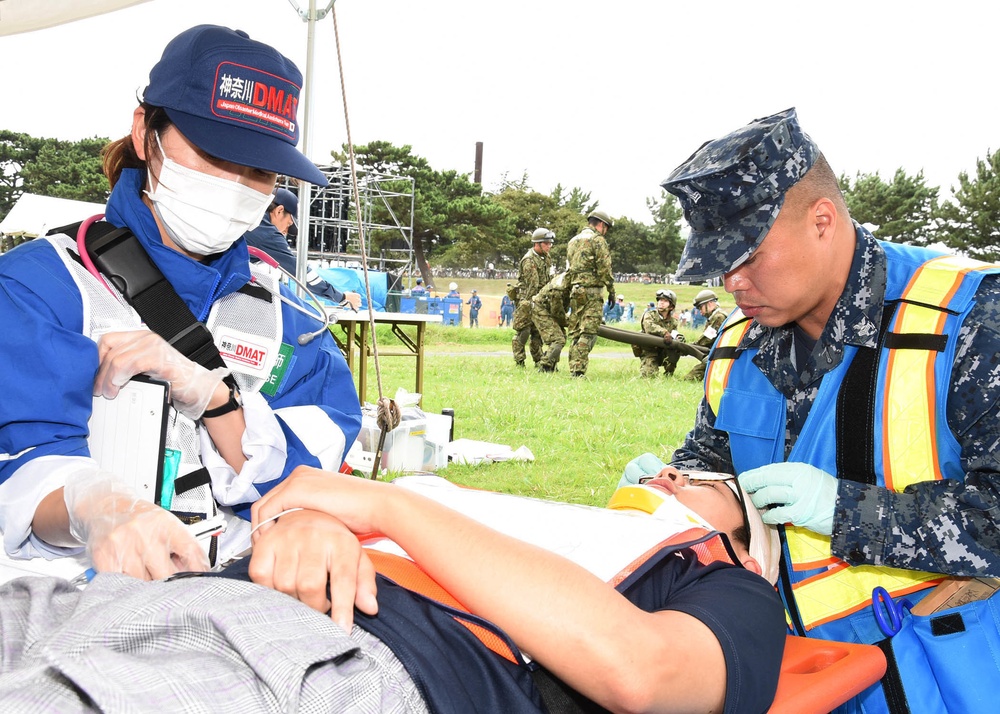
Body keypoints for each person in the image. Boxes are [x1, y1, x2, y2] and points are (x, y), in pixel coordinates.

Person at [637, 107, 1000, 713]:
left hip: (940, 673)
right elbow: (714, 463)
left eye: (747, 255)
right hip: (792, 675)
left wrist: (843, 510)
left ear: (822, 220)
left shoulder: (970, 316)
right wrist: (676, 488)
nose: (730, 281)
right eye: (717, 261)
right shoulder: (738, 343)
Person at [0, 25, 362, 580]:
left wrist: (217, 401)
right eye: (216, 153)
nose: (237, 184)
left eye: (260, 170)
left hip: (249, 609)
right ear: (146, 133)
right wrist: (97, 507)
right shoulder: (40, 286)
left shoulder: (291, 315)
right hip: (82, 616)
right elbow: (20, 465)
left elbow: (318, 476)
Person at [0, 470, 785, 714]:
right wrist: (312, 519)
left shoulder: (726, 584)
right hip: (184, 595)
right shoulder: (528, 517)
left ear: (751, 543)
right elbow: (317, 504)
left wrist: (382, 505)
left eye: (710, 479)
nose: (672, 473)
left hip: (330, 660)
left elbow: (641, 674)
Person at [244, 187, 361, 309]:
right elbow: (302, 274)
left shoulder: (248, 213)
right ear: (279, 211)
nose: (285, 232)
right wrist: (342, 297)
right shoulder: (268, 234)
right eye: (289, 224)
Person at [566, 210, 614, 377]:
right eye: (606, 227)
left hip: (576, 290)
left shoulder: (573, 241)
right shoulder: (598, 240)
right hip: (592, 292)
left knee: (576, 331)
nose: (605, 231)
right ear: (600, 224)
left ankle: (573, 366)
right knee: (589, 332)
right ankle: (578, 370)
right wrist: (611, 289)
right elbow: (604, 269)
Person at [511, 228, 553, 367]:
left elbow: (548, 279)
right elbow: (532, 285)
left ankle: (538, 360)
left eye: (550, 243)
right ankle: (519, 361)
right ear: (537, 244)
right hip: (528, 299)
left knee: (537, 332)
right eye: (546, 243)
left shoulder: (546, 258)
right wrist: (533, 304)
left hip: (539, 299)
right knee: (524, 331)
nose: (549, 246)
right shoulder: (529, 260)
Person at [680, 289, 727, 382]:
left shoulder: (719, 317)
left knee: (690, 378)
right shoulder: (714, 317)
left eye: (700, 308)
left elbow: (706, 339)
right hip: (717, 353)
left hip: (720, 354)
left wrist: (687, 347)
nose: (700, 312)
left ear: (709, 304)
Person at [639, 289, 684, 378]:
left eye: (665, 301)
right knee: (649, 376)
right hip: (650, 351)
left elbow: (674, 333)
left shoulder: (673, 321)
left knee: (675, 349)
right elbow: (649, 327)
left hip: (664, 351)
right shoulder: (649, 315)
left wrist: (679, 337)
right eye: (660, 300)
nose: (661, 302)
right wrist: (664, 332)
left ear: (671, 306)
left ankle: (669, 373)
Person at [531, 271, 570, 372]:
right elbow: (557, 312)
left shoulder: (567, 280)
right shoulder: (558, 288)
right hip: (540, 309)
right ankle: (545, 366)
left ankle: (552, 365)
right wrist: (569, 321)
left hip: (548, 309)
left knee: (561, 336)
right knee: (558, 339)